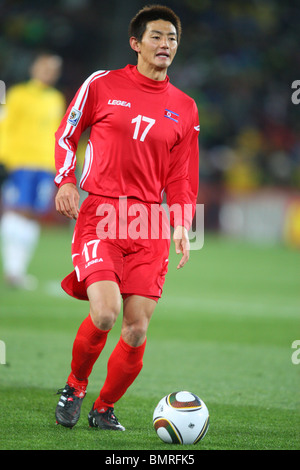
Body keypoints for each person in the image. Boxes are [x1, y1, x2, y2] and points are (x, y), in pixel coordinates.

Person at [54, 4, 200, 431]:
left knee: (135, 329)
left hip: (150, 222)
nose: (165, 45)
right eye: (156, 36)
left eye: (172, 38)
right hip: (100, 210)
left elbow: (182, 175)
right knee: (104, 314)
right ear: (135, 43)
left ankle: (104, 407)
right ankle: (75, 385)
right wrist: (66, 181)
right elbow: (68, 131)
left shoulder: (185, 107)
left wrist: (181, 224)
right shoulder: (102, 84)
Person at [0, 53, 65, 289]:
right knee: (19, 211)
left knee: (34, 214)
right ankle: (13, 269)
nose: (49, 72)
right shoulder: (18, 95)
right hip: (21, 162)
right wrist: (4, 159)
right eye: (45, 67)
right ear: (34, 68)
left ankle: (18, 270)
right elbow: (4, 126)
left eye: (54, 69)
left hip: (46, 165)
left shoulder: (56, 98)